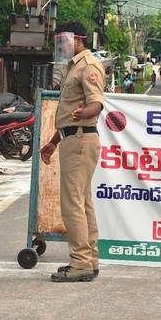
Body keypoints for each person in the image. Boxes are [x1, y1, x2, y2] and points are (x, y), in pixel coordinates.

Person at [39, 21, 105, 282]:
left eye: (63, 41)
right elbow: (69, 113)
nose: (61, 46)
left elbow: (96, 104)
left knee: (72, 204)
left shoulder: (88, 66)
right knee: (83, 203)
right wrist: (53, 142)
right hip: (72, 138)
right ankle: (90, 260)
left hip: (80, 140)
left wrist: (85, 112)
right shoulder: (74, 66)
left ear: (78, 40)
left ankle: (80, 263)